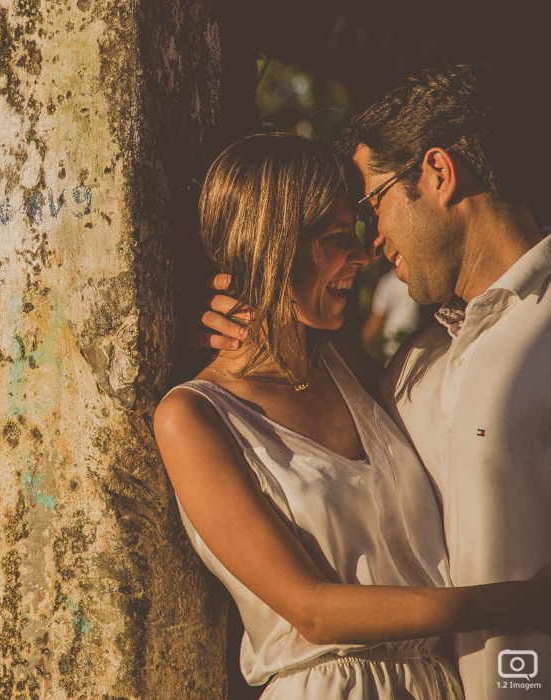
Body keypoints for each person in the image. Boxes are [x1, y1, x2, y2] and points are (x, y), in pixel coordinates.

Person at [191, 65, 551, 700]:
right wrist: (519, 604)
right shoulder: (412, 371)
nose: (370, 242)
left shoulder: (373, 374)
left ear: (438, 173)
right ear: (275, 246)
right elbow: (314, 609)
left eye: (371, 205)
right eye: (341, 231)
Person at [360, 269, 420, 362]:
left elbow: (377, 317)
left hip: (399, 345)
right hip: (397, 344)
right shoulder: (390, 282)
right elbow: (378, 315)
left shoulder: (388, 281)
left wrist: (361, 345)